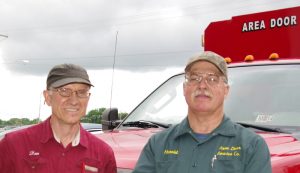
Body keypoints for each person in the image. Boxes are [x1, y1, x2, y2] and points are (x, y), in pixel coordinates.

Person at [133, 51, 272, 173]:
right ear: (184, 88)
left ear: (226, 90)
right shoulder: (158, 144)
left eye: (212, 79)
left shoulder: (252, 146)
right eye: (194, 78)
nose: (202, 85)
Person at [0, 63, 117, 173]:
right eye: (65, 91)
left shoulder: (103, 153)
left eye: (82, 92)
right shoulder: (13, 145)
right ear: (47, 97)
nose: (74, 101)